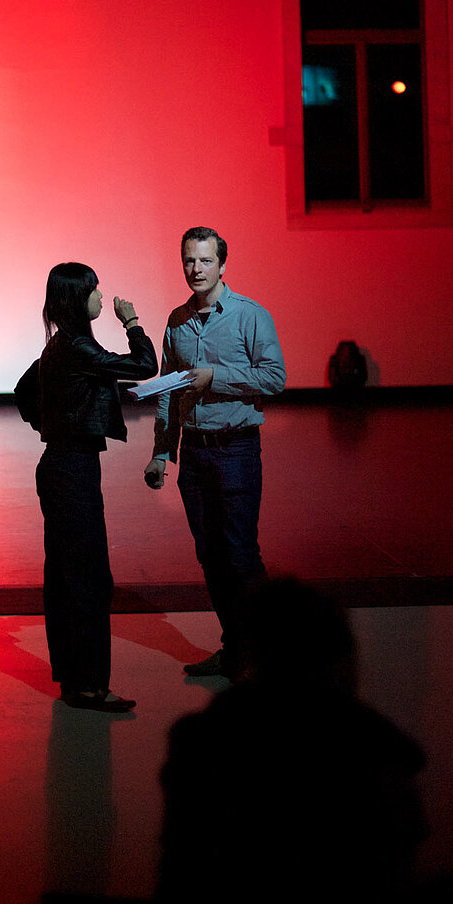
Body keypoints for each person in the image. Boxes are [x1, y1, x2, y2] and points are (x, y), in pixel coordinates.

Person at [157, 578, 428, 903]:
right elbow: (396, 867)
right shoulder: (376, 747)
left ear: (253, 648)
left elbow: (179, 866)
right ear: (335, 650)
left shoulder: (201, 741)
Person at [144, 226, 286, 677]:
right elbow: (168, 391)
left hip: (235, 449)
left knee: (240, 554)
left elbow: (274, 378)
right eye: (189, 260)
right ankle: (236, 647)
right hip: (195, 452)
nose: (196, 269)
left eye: (205, 261)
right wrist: (162, 453)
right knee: (210, 555)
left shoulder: (250, 315)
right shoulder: (177, 321)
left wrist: (215, 377)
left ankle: (274, 652)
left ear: (222, 265)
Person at [15, 262, 157, 712]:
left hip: (62, 465)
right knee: (87, 580)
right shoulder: (77, 346)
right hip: (71, 469)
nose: (101, 297)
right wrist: (132, 322)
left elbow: (23, 391)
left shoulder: (61, 345)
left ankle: (77, 681)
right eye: (94, 290)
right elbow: (145, 364)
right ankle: (90, 686)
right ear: (77, 298)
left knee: (68, 577)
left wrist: (53, 421)